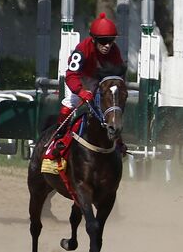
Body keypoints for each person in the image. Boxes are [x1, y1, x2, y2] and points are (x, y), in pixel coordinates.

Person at [44, 12, 126, 163]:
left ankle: (118, 141)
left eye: (111, 40)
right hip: (79, 79)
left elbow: (118, 73)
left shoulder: (115, 50)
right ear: (94, 39)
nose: (107, 45)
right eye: (103, 41)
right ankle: (58, 140)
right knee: (70, 103)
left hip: (101, 82)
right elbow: (71, 74)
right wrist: (81, 91)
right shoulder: (82, 49)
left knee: (112, 107)